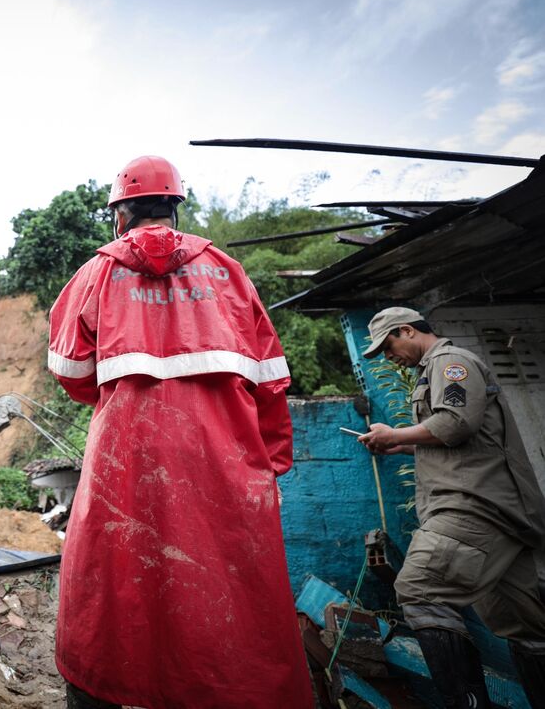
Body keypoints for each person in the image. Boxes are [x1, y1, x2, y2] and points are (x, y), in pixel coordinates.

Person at [47, 155, 311, 708]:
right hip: (226, 460)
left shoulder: (97, 272)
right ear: (175, 207)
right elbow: (271, 380)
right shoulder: (229, 271)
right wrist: (269, 467)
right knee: (232, 594)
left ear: (120, 214)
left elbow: (71, 370)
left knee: (109, 593)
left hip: (126, 459)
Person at [359, 307, 545, 708]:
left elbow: (455, 423)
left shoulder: (450, 363)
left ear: (407, 330)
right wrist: (399, 442)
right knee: (525, 626)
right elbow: (455, 440)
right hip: (500, 514)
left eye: (388, 347)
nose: (389, 358)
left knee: (419, 589)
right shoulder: (435, 370)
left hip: (474, 507)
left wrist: (394, 434)